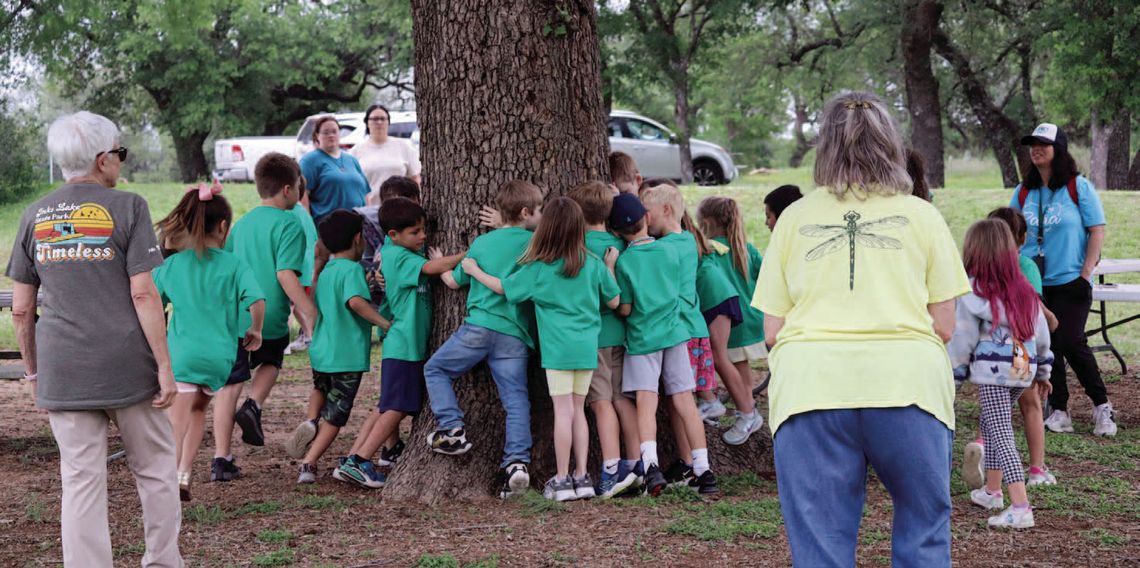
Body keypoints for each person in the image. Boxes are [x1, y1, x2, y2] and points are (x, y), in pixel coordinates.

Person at [754, 91, 970, 567]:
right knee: (924, 530)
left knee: (820, 546)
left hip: (811, 391)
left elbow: (772, 330)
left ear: (823, 146)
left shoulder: (793, 218)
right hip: (908, 387)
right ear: (891, 143)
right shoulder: (923, 215)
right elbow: (945, 324)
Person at [7, 111, 184, 566]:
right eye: (120, 154)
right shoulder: (129, 207)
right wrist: (165, 367)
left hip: (64, 369)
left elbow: (23, 309)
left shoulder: (33, 215)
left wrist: (33, 373)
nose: (121, 164)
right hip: (127, 364)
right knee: (155, 471)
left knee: (81, 479)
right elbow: (143, 293)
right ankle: (163, 561)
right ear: (103, 159)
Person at [465, 196, 621, 502]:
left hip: (558, 351)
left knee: (563, 411)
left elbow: (503, 288)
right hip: (587, 348)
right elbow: (614, 301)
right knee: (578, 411)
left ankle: (562, 480)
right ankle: (582, 476)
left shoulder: (539, 268)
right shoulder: (592, 264)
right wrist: (609, 266)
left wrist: (473, 270)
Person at [335, 197, 464, 488]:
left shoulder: (398, 253)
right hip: (404, 346)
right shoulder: (399, 256)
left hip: (405, 345)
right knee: (397, 406)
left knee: (389, 406)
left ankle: (355, 459)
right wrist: (467, 255)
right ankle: (361, 460)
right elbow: (433, 268)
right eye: (415, 232)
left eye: (423, 230)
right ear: (393, 235)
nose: (423, 236)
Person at [425, 180, 543, 499]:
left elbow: (452, 281)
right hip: (514, 335)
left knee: (435, 370)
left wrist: (440, 261)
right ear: (526, 212)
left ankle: (452, 428)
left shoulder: (481, 244)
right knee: (516, 399)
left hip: (478, 329)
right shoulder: (536, 244)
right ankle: (517, 463)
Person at [154, 183, 266, 501]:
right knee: (198, 411)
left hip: (184, 355)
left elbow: (151, 304)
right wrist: (255, 330)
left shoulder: (172, 266)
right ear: (223, 227)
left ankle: (164, 486)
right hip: (219, 358)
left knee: (175, 422)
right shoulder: (234, 264)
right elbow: (257, 299)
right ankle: (183, 475)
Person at [1010, 122, 1116, 437]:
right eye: (1032, 144)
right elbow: (1009, 230)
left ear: (1060, 149)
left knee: (1071, 340)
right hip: (1034, 282)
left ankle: (1102, 406)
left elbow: (1096, 228)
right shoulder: (1024, 190)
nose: (1036, 149)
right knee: (1048, 345)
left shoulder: (1077, 187)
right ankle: (1059, 410)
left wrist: (1086, 273)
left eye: (1043, 143)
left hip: (1071, 280)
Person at [215, 153, 317, 480]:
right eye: (300, 187)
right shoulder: (291, 223)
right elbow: (286, 274)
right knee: (271, 361)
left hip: (234, 316)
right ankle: (254, 405)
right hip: (269, 315)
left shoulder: (241, 224)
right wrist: (309, 314)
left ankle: (222, 458)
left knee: (230, 383)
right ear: (288, 189)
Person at [948, 219, 1054, 529]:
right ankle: (992, 492)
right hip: (1023, 371)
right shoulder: (1024, 291)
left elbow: (962, 339)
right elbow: (1043, 335)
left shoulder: (973, 291)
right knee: (992, 424)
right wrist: (1044, 371)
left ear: (973, 252)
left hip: (993, 373)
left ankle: (1020, 506)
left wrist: (954, 377)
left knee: (1000, 431)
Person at [611, 193, 719, 497]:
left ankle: (651, 467)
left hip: (643, 339)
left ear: (617, 232)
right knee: (686, 402)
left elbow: (626, 308)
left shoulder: (624, 262)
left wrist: (610, 269)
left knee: (647, 403)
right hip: (675, 334)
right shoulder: (670, 252)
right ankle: (703, 469)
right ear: (647, 219)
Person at [289, 210, 391, 483]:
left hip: (322, 350)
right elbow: (355, 303)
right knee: (336, 416)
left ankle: (311, 420)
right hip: (346, 356)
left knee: (320, 388)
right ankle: (308, 464)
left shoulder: (327, 270)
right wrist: (384, 323)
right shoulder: (352, 269)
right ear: (359, 238)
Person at [568, 181, 642, 498]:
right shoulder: (619, 244)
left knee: (600, 403)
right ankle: (636, 464)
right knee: (623, 399)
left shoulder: (574, 247)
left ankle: (610, 469)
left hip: (593, 337)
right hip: (621, 334)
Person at [697, 196, 769, 415]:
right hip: (754, 319)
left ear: (706, 223)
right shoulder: (745, 248)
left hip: (732, 323)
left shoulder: (710, 251)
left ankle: (746, 410)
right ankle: (748, 404)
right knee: (742, 366)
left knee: (733, 368)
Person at [299, 115, 370, 224]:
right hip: (329, 228)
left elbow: (365, 194)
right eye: (326, 132)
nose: (331, 135)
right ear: (317, 135)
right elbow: (303, 198)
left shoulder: (351, 159)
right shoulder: (309, 161)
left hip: (358, 226)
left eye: (334, 131)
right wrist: (309, 228)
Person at [351, 104, 422, 206]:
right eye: (375, 119)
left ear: (388, 122)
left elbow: (415, 179)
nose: (379, 122)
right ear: (367, 123)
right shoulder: (356, 151)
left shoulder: (403, 146)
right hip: (370, 211)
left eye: (383, 119)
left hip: (402, 209)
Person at [285, 175, 319, 355]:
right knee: (297, 305)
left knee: (288, 306)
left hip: (294, 269)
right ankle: (309, 335)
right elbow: (314, 240)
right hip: (306, 269)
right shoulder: (304, 214)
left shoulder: (288, 213)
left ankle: (284, 343)